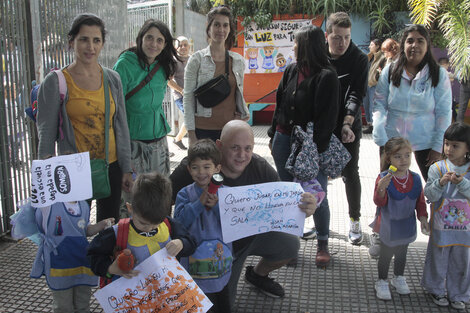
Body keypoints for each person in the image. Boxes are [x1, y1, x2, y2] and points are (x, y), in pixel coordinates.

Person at [170, 120, 317, 306]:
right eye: (235, 148)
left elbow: (286, 205)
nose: (242, 155)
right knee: (221, 303)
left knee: (289, 245)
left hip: (250, 237)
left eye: (248, 148)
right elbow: (161, 201)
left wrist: (306, 207)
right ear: (219, 146)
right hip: (211, 249)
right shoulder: (197, 167)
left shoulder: (260, 167)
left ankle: (257, 275)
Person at [36, 13, 132, 222]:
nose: (91, 47)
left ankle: (103, 257)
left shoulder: (112, 79)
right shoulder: (56, 81)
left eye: (96, 40)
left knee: (108, 227)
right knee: (74, 229)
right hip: (73, 171)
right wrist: (45, 179)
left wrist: (126, 169)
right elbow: (46, 132)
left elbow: (121, 126)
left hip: (111, 166)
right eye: (84, 39)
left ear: (102, 44)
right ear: (72, 42)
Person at [267, 25, 340, 266]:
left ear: (308, 45)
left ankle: (322, 242)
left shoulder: (327, 75)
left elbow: (328, 120)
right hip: (283, 140)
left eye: (297, 43)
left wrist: (313, 152)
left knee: (316, 194)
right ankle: (291, 246)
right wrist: (272, 136)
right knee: (290, 194)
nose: (294, 47)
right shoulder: (290, 70)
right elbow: (279, 103)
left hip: (309, 147)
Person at [373, 24, 452, 182]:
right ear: (403, 45)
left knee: (436, 186)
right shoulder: (390, 71)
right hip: (393, 141)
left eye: (420, 41)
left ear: (427, 45)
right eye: (410, 41)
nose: (414, 45)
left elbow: (444, 112)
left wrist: (438, 147)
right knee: (388, 186)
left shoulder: (438, 74)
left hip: (427, 141)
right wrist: (382, 140)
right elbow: (379, 105)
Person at [87, 172, 197, 282]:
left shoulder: (169, 225)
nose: (149, 228)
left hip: (165, 292)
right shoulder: (118, 232)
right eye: (143, 223)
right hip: (132, 294)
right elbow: (92, 256)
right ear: (130, 208)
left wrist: (181, 243)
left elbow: (191, 242)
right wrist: (110, 268)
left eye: (156, 223)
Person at [325, 12, 369, 246]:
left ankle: (355, 219)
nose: (341, 43)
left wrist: (347, 123)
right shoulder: (318, 55)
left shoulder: (359, 59)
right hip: (322, 126)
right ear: (327, 35)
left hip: (349, 126)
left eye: (346, 37)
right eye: (336, 37)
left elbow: (356, 93)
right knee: (317, 174)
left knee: (350, 173)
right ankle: (317, 220)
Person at [114, 19, 178, 177]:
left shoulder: (162, 65)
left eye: (159, 40)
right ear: (141, 38)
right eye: (149, 37)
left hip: (159, 141)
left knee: (159, 192)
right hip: (133, 144)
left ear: (164, 45)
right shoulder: (124, 65)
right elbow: (115, 110)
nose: (153, 44)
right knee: (135, 196)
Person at [174, 139, 232, 313]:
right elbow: (179, 223)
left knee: (222, 302)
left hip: (221, 261)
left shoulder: (227, 194)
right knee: (198, 305)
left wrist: (216, 208)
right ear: (188, 169)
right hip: (193, 264)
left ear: (217, 169)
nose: (201, 172)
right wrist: (199, 203)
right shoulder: (184, 194)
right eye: (195, 167)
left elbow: (232, 223)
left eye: (207, 167)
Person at [30, 200, 114, 313]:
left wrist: (101, 225)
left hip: (81, 263)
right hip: (59, 264)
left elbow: (85, 230)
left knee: (83, 304)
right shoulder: (49, 205)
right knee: (63, 306)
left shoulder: (83, 205)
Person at [372, 137, 429, 300]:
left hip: (406, 224)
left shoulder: (416, 178)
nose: (404, 160)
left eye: (407, 155)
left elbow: (420, 201)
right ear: (389, 158)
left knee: (402, 253)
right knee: (386, 254)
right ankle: (382, 280)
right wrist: (381, 189)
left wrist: (423, 218)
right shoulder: (384, 177)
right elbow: (379, 202)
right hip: (389, 225)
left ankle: (398, 277)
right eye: (398, 156)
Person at [183, 6, 249, 146]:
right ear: (209, 27)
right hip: (202, 131)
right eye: (216, 25)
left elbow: (239, 94)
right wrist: (191, 134)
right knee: (207, 168)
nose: (221, 30)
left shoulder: (237, 61)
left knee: (227, 168)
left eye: (225, 25)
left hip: (229, 131)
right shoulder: (197, 60)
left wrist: (241, 117)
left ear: (230, 29)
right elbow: (188, 97)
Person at [422, 122, 470, 310]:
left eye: (455, 145)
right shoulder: (437, 168)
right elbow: (429, 194)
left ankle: (458, 294)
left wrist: (462, 183)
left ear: (467, 148)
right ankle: (435, 289)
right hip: (440, 227)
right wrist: (440, 183)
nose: (449, 149)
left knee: (462, 261)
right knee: (437, 258)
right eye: (447, 143)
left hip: (464, 230)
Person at [168, 36, 191, 150]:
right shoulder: (173, 61)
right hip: (180, 96)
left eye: (185, 45)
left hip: (192, 95)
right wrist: (181, 90)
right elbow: (168, 80)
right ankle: (179, 139)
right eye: (180, 45)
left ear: (189, 47)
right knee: (190, 117)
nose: (183, 47)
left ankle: (178, 139)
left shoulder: (192, 59)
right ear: (175, 47)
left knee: (192, 117)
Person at [363, 39, 386, 134]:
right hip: (367, 84)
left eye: (371, 45)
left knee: (373, 106)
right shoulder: (369, 57)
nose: (369, 46)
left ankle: (374, 126)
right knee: (366, 105)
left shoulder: (382, 58)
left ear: (377, 46)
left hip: (374, 85)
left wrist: (376, 80)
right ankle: (369, 125)